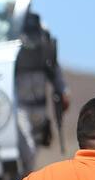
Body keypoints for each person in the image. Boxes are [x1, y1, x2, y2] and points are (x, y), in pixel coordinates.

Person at [16, 12, 69, 149]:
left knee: (37, 143)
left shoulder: (42, 30)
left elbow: (53, 67)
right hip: (20, 104)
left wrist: (63, 91)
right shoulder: (10, 27)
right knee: (26, 145)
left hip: (39, 105)